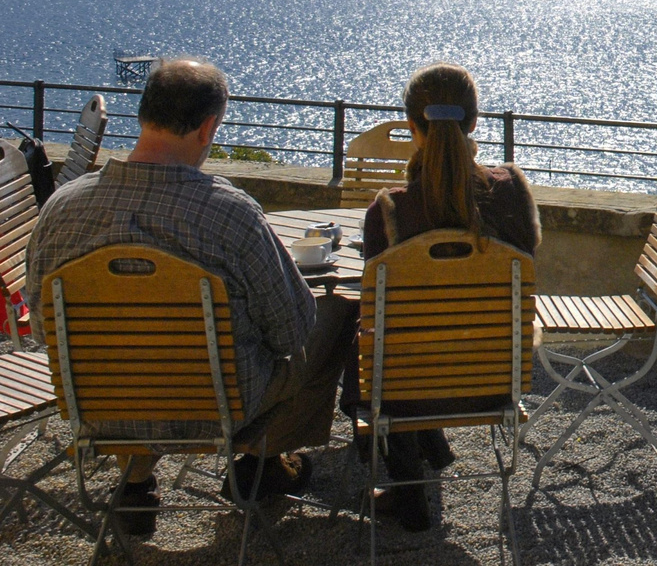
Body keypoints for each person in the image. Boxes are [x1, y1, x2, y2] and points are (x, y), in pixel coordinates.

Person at [26, 59, 356, 536]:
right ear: (208, 128)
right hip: (218, 406)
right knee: (328, 317)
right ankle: (263, 464)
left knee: (128, 353)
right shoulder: (230, 213)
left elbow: (41, 329)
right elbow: (291, 331)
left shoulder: (61, 208)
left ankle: (136, 481)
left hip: (100, 403)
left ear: (143, 115)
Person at [350, 63, 540, 532]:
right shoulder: (512, 192)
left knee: (362, 344)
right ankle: (431, 451)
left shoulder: (389, 211)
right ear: (474, 123)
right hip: (492, 382)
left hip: (406, 391)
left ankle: (407, 481)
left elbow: (376, 312)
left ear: (412, 126)